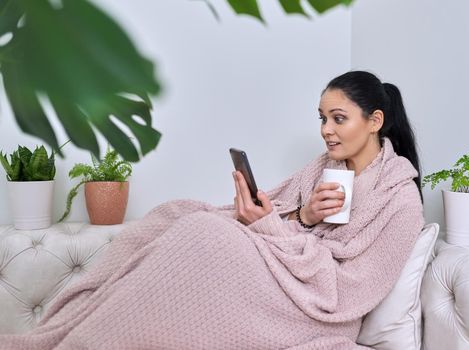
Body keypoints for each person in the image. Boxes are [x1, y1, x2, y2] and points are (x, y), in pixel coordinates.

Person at [0, 71, 424, 350]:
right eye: (321, 119)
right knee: (177, 214)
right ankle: (76, 335)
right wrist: (300, 217)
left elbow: (350, 290)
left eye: (337, 118)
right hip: (283, 271)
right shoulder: (324, 167)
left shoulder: (400, 199)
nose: (325, 131)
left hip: (318, 309)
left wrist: (277, 228)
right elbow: (286, 217)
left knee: (207, 233)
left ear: (374, 121)